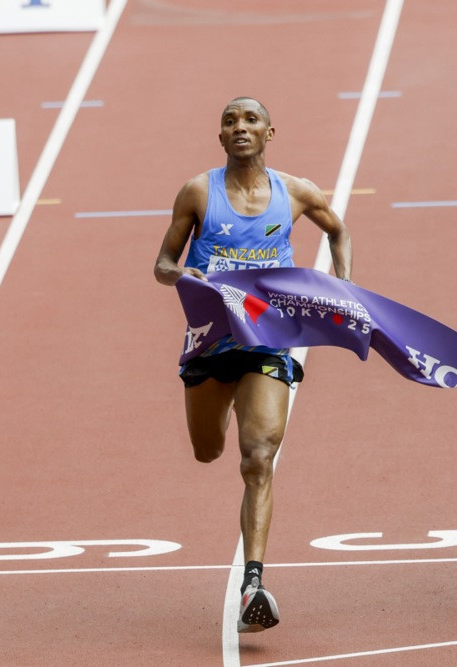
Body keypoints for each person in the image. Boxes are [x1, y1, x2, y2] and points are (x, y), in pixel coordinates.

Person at [154, 97, 352, 632]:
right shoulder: (199, 192)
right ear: (220, 136)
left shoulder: (297, 192)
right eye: (229, 121)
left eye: (250, 121)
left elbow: (338, 230)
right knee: (207, 450)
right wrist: (183, 277)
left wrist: (340, 281)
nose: (239, 128)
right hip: (212, 342)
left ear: (270, 132)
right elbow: (163, 264)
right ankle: (217, 414)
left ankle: (253, 583)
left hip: (267, 339)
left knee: (257, 457)